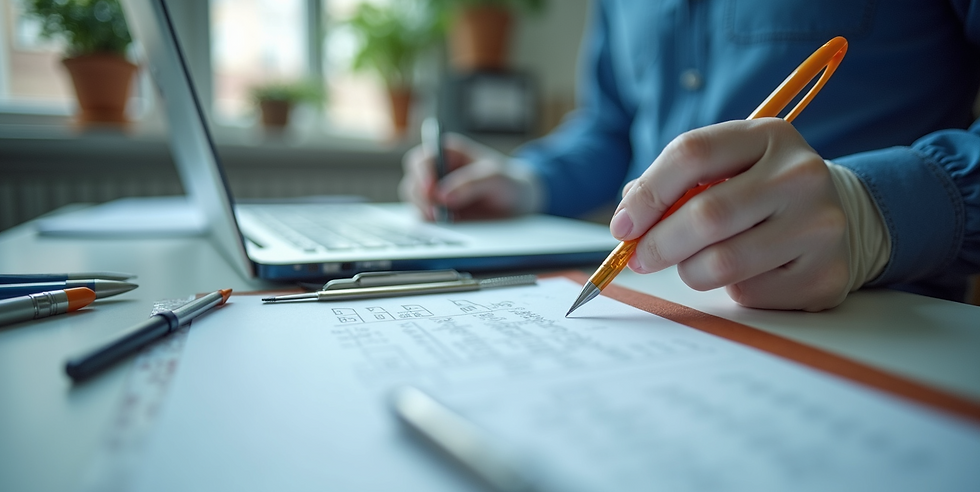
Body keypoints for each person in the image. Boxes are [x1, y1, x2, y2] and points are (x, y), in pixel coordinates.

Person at [401, 0, 980, 311]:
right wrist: (526, 179)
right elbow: (611, 127)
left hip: (875, 319)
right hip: (649, 303)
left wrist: (875, 212)